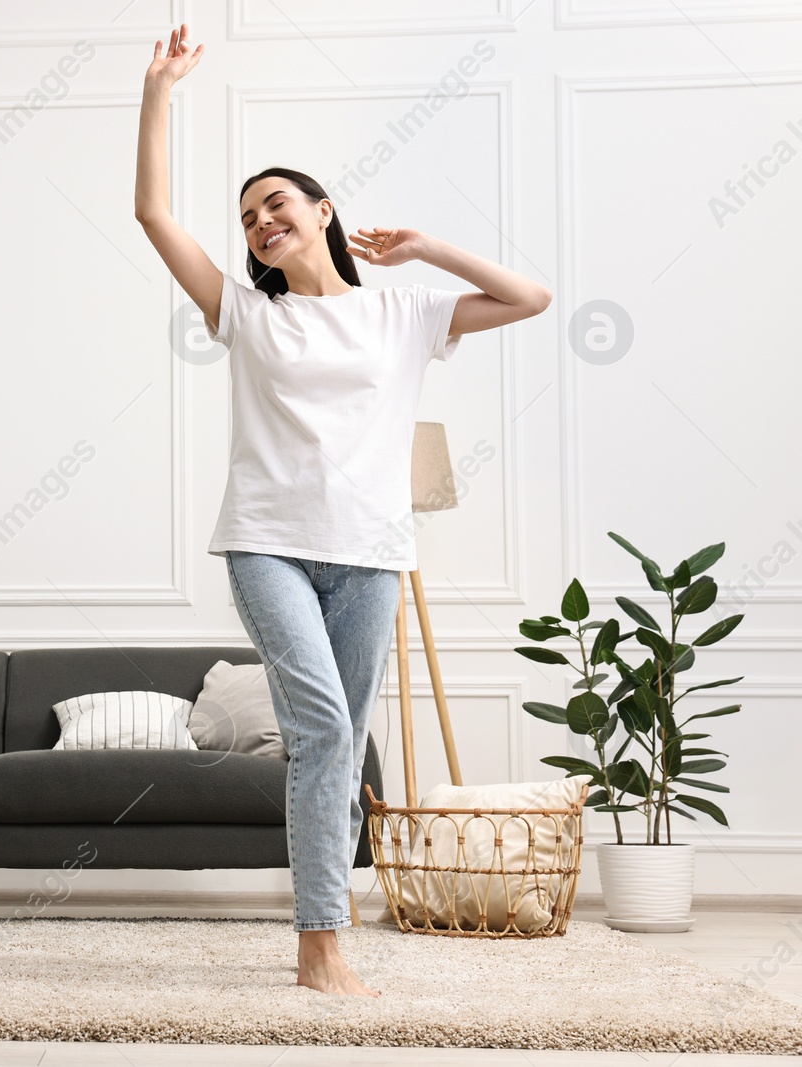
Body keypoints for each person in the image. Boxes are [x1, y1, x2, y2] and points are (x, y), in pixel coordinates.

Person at [134, 25, 551, 995]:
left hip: (370, 555)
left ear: (322, 211)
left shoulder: (402, 313)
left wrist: (425, 248)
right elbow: (152, 213)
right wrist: (159, 91)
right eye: (245, 216)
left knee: (337, 737)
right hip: (267, 544)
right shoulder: (247, 312)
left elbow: (528, 296)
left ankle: (326, 927)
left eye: (274, 203)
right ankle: (321, 938)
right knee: (321, 723)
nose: (257, 221)